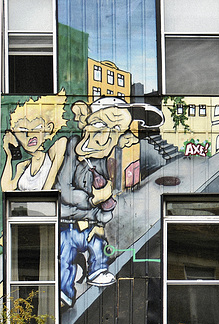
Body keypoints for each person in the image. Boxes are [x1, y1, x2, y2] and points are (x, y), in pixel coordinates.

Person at [57, 97, 163, 307]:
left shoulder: (101, 162)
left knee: (98, 244)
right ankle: (65, 290)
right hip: (68, 222)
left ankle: (96, 271)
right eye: (103, 125)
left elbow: (104, 195)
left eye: (116, 129)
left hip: (90, 222)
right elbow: (64, 191)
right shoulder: (71, 147)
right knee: (65, 252)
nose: (107, 137)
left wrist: (105, 208)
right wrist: (92, 200)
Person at [2, 91, 68, 191]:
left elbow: (47, 189)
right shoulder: (22, 166)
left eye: (37, 127)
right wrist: (9, 155)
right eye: (22, 130)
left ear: (49, 129)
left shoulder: (55, 150)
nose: (29, 134)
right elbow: (6, 188)